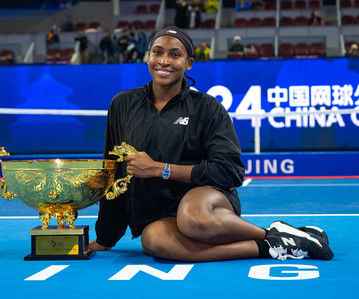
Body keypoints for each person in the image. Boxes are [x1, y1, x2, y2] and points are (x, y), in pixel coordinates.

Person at [88, 26, 334, 262]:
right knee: (154, 242)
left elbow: (230, 171)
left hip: (207, 201)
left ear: (189, 63)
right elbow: (113, 170)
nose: (164, 61)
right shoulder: (123, 104)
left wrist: (160, 169)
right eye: (157, 52)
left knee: (192, 218)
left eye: (175, 55)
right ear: (148, 56)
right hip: (157, 215)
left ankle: (272, 233)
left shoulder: (207, 107)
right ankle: (271, 244)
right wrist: (106, 236)